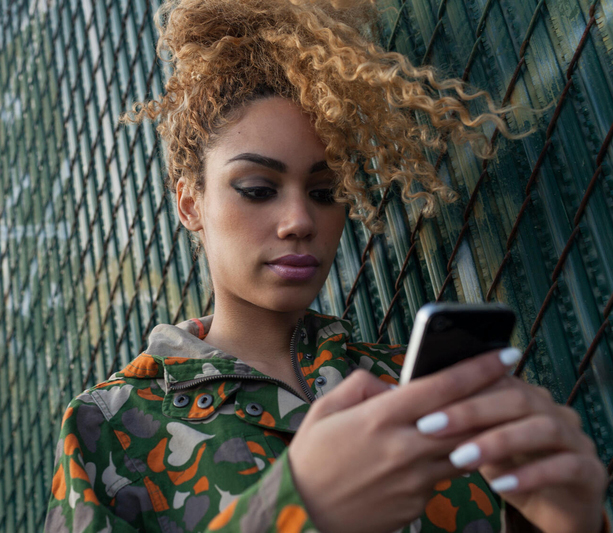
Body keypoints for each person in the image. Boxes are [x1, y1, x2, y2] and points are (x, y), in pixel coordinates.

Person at [45, 0, 609, 532]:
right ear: (190, 201)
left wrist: (566, 522)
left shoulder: (416, 388)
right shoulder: (110, 428)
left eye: (325, 190)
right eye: (258, 189)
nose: (299, 220)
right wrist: (295, 505)